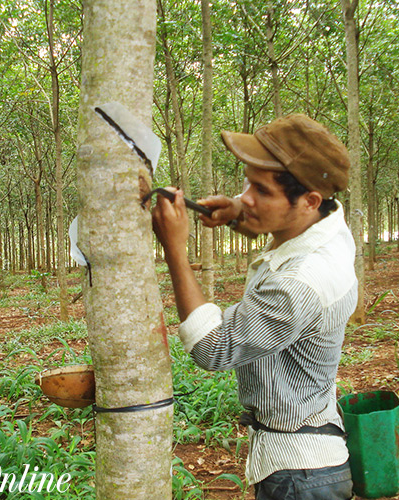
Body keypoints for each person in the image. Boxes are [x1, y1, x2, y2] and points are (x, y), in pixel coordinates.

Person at [152, 114, 357, 500]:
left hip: (300, 476)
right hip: (306, 460)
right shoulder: (329, 226)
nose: (246, 195)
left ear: (309, 200)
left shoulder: (299, 284)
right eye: (246, 182)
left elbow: (213, 348)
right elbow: (287, 224)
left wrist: (175, 248)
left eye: (261, 190)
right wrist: (236, 213)